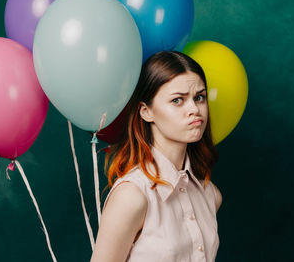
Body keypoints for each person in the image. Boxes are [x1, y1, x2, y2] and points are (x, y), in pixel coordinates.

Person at [90, 51, 222, 262]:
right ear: (146, 111)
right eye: (178, 100)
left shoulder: (209, 194)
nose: (194, 109)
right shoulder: (132, 196)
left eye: (199, 97)